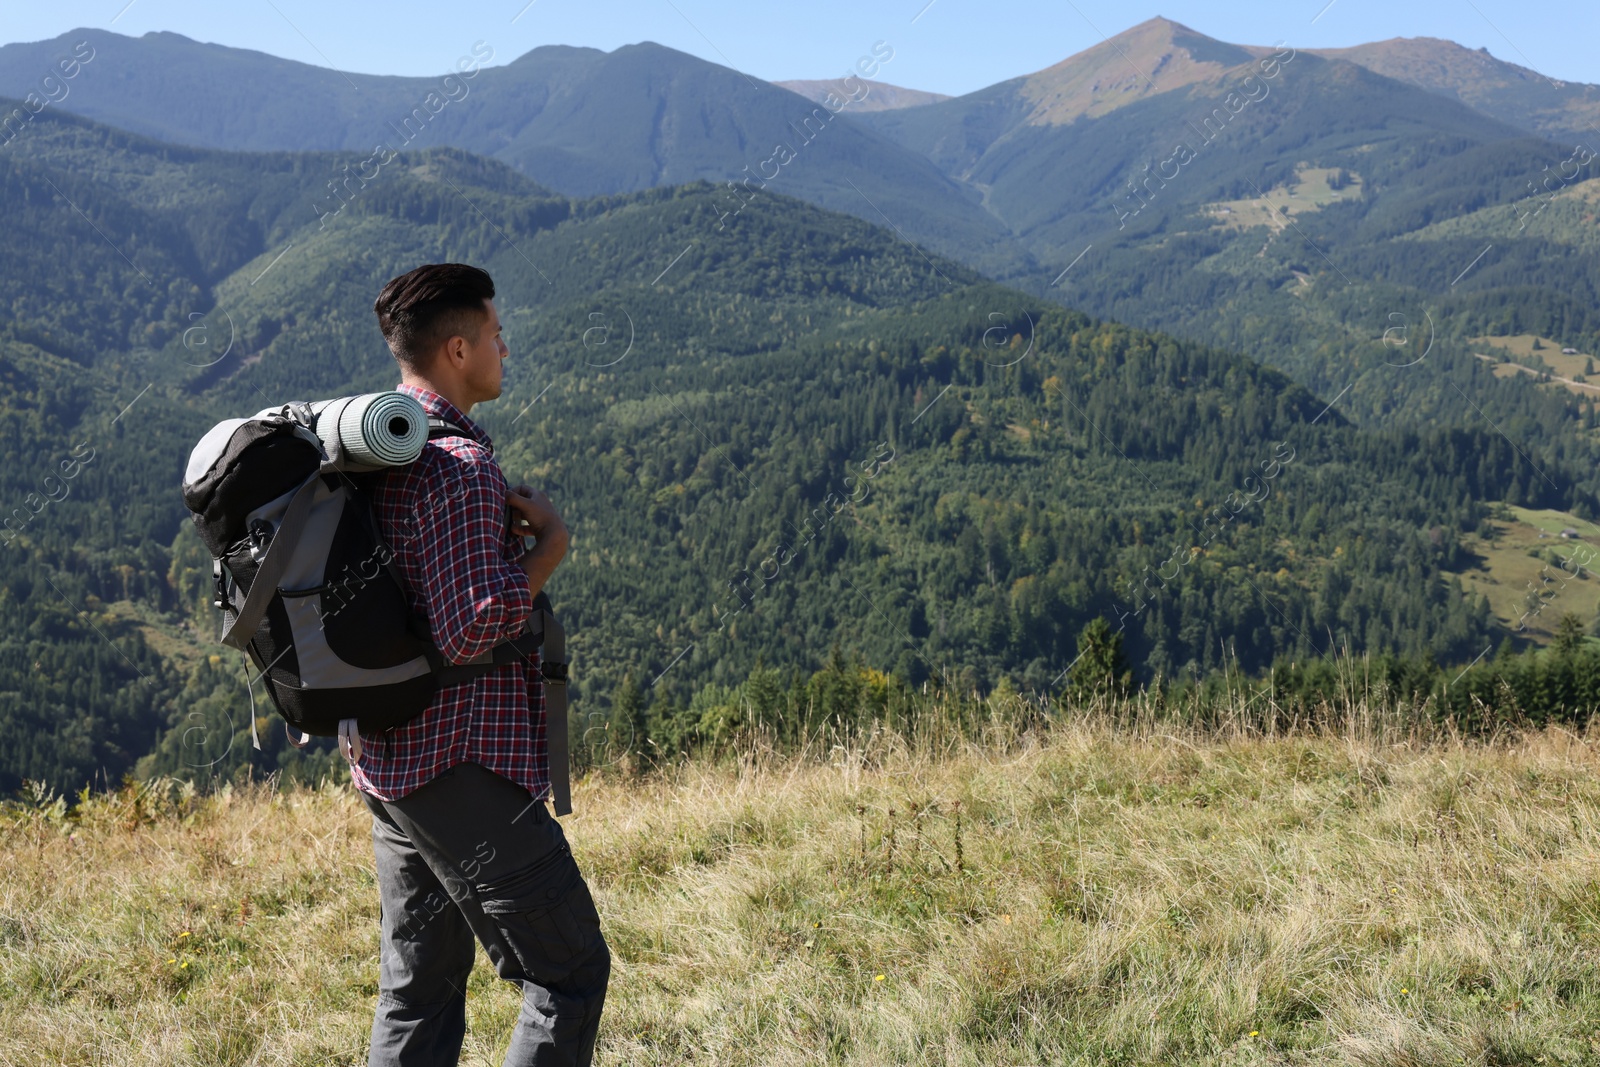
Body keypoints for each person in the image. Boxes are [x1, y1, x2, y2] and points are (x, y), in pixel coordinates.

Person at [353, 262, 608, 1066]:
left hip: (388, 758)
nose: (507, 344)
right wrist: (550, 551)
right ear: (457, 348)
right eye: (496, 332)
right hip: (459, 763)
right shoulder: (456, 467)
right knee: (568, 971)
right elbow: (473, 626)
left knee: (419, 989)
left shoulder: (382, 447)